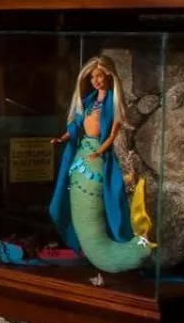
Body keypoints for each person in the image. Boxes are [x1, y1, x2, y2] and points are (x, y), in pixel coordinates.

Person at [49, 55, 154, 273]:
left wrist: (99, 151)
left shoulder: (112, 105)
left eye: (99, 76)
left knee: (105, 204)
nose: (95, 81)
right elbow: (75, 127)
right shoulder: (88, 102)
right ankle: (92, 250)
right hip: (80, 161)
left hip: (96, 161)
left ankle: (130, 248)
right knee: (78, 206)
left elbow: (111, 134)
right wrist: (62, 139)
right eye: (92, 77)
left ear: (109, 75)